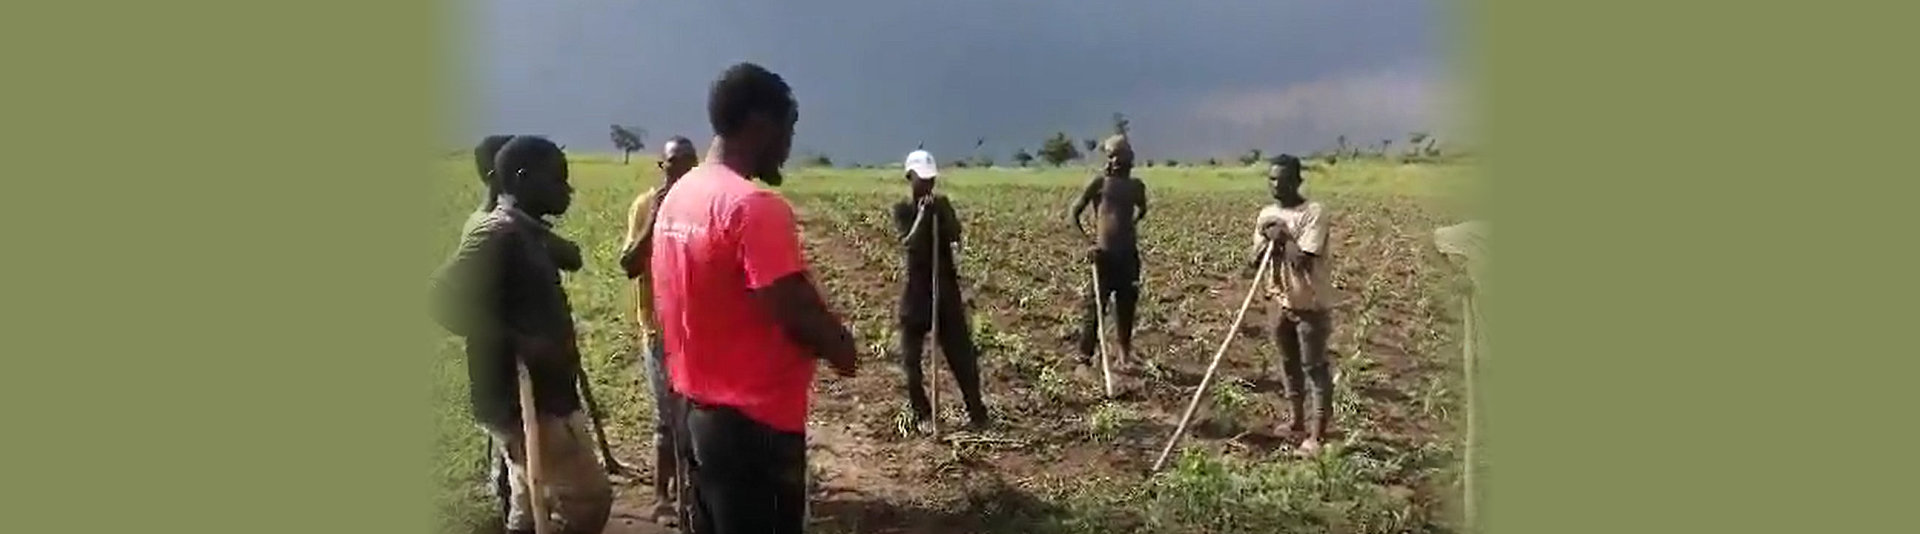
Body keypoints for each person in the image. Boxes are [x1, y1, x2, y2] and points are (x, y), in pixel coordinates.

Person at [650, 62, 860, 534]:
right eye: (788, 129)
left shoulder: (681, 195)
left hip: (693, 411)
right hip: (754, 429)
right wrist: (841, 347)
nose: (788, 145)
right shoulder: (754, 207)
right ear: (761, 125)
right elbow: (789, 305)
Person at [430, 135, 612, 534]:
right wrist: (517, 340)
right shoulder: (499, 233)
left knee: (530, 501)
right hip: (525, 399)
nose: (568, 190)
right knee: (588, 500)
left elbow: (568, 256)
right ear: (524, 178)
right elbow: (439, 297)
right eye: (558, 180)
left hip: (539, 394)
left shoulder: (524, 230)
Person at [616, 135, 698, 525]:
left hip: (698, 330)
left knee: (696, 418)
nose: (680, 170)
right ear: (661, 167)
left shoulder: (702, 205)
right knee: (666, 420)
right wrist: (655, 219)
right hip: (658, 329)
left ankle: (694, 495)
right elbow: (629, 264)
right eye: (673, 163)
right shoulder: (645, 206)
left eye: (688, 163)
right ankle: (662, 497)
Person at [890, 149, 990, 431]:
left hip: (944, 289)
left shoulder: (942, 205)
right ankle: (922, 414)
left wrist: (941, 216)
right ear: (910, 177)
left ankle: (977, 412)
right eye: (922, 179)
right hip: (917, 291)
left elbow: (956, 235)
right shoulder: (903, 209)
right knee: (910, 361)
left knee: (962, 355)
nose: (928, 185)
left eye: (931, 179)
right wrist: (923, 215)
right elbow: (908, 242)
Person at [1245, 154, 1337, 456]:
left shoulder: (1314, 212)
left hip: (1310, 305)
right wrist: (1266, 235)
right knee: (1289, 365)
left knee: (1315, 367)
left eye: (1282, 180)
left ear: (1297, 181)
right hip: (1280, 302)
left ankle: (1318, 436)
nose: (1276, 185)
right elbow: (1254, 261)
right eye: (1271, 179)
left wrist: (1283, 236)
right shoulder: (1266, 214)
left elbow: (1303, 262)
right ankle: (1297, 422)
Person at [1070, 134, 1150, 370]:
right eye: (1112, 156)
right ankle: (1084, 358)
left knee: (1127, 308)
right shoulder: (1099, 184)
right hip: (1103, 257)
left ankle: (1124, 354)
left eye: (1121, 156)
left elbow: (1142, 210)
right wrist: (1089, 243)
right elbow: (1073, 214)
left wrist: (1128, 228)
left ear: (1130, 158)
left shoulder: (1137, 187)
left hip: (1128, 257)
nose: (1117, 161)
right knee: (1095, 308)